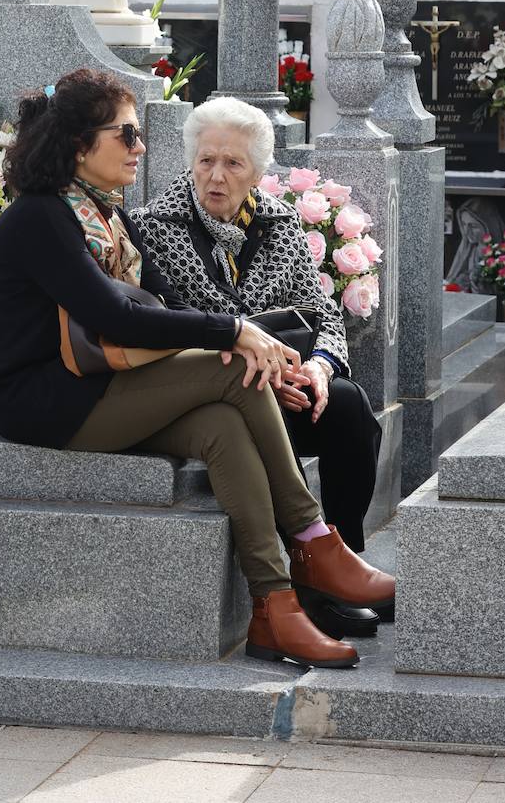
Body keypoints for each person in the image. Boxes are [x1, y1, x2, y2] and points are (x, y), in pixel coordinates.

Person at [0, 68, 395, 671]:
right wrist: (234, 331)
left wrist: (259, 346)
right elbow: (113, 316)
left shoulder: (100, 213)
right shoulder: (42, 216)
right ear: (77, 144)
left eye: (138, 133)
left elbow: (166, 301)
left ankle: (274, 609)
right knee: (233, 368)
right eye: (127, 134)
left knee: (222, 423)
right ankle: (312, 542)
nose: (140, 146)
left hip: (96, 387)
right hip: (45, 403)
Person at [132, 97, 384, 639]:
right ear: (190, 161)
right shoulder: (154, 228)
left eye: (233, 164)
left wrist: (318, 367)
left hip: (287, 377)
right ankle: (300, 584)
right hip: (217, 390)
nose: (216, 175)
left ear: (258, 171)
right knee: (263, 421)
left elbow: (321, 312)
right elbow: (176, 325)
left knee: (347, 406)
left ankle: (338, 569)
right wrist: (269, 371)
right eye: (206, 161)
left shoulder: (280, 222)